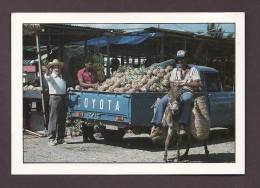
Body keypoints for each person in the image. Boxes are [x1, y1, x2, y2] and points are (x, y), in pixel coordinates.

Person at [151, 50, 202, 133]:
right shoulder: (175, 70)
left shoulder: (193, 70)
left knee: (186, 100)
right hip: (175, 91)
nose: (180, 61)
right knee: (161, 102)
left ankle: (183, 123)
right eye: (179, 59)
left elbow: (198, 83)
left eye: (182, 59)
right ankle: (157, 124)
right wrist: (173, 85)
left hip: (187, 91)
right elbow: (171, 82)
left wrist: (185, 83)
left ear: (187, 59)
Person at [44, 59, 67, 146]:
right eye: (55, 67)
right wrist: (47, 69)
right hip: (54, 98)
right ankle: (51, 139)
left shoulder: (62, 77)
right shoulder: (50, 77)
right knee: (53, 119)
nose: (57, 69)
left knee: (62, 119)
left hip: (63, 97)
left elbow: (63, 86)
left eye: (58, 67)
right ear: (52, 68)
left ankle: (60, 138)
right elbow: (46, 75)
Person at [77, 58, 98, 142]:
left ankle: (91, 135)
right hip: (84, 95)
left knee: (92, 115)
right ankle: (85, 136)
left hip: (92, 95)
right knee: (84, 116)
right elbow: (81, 83)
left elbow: (96, 81)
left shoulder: (94, 72)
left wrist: (96, 85)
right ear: (85, 64)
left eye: (91, 64)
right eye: (89, 64)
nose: (90, 66)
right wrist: (92, 85)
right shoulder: (81, 72)